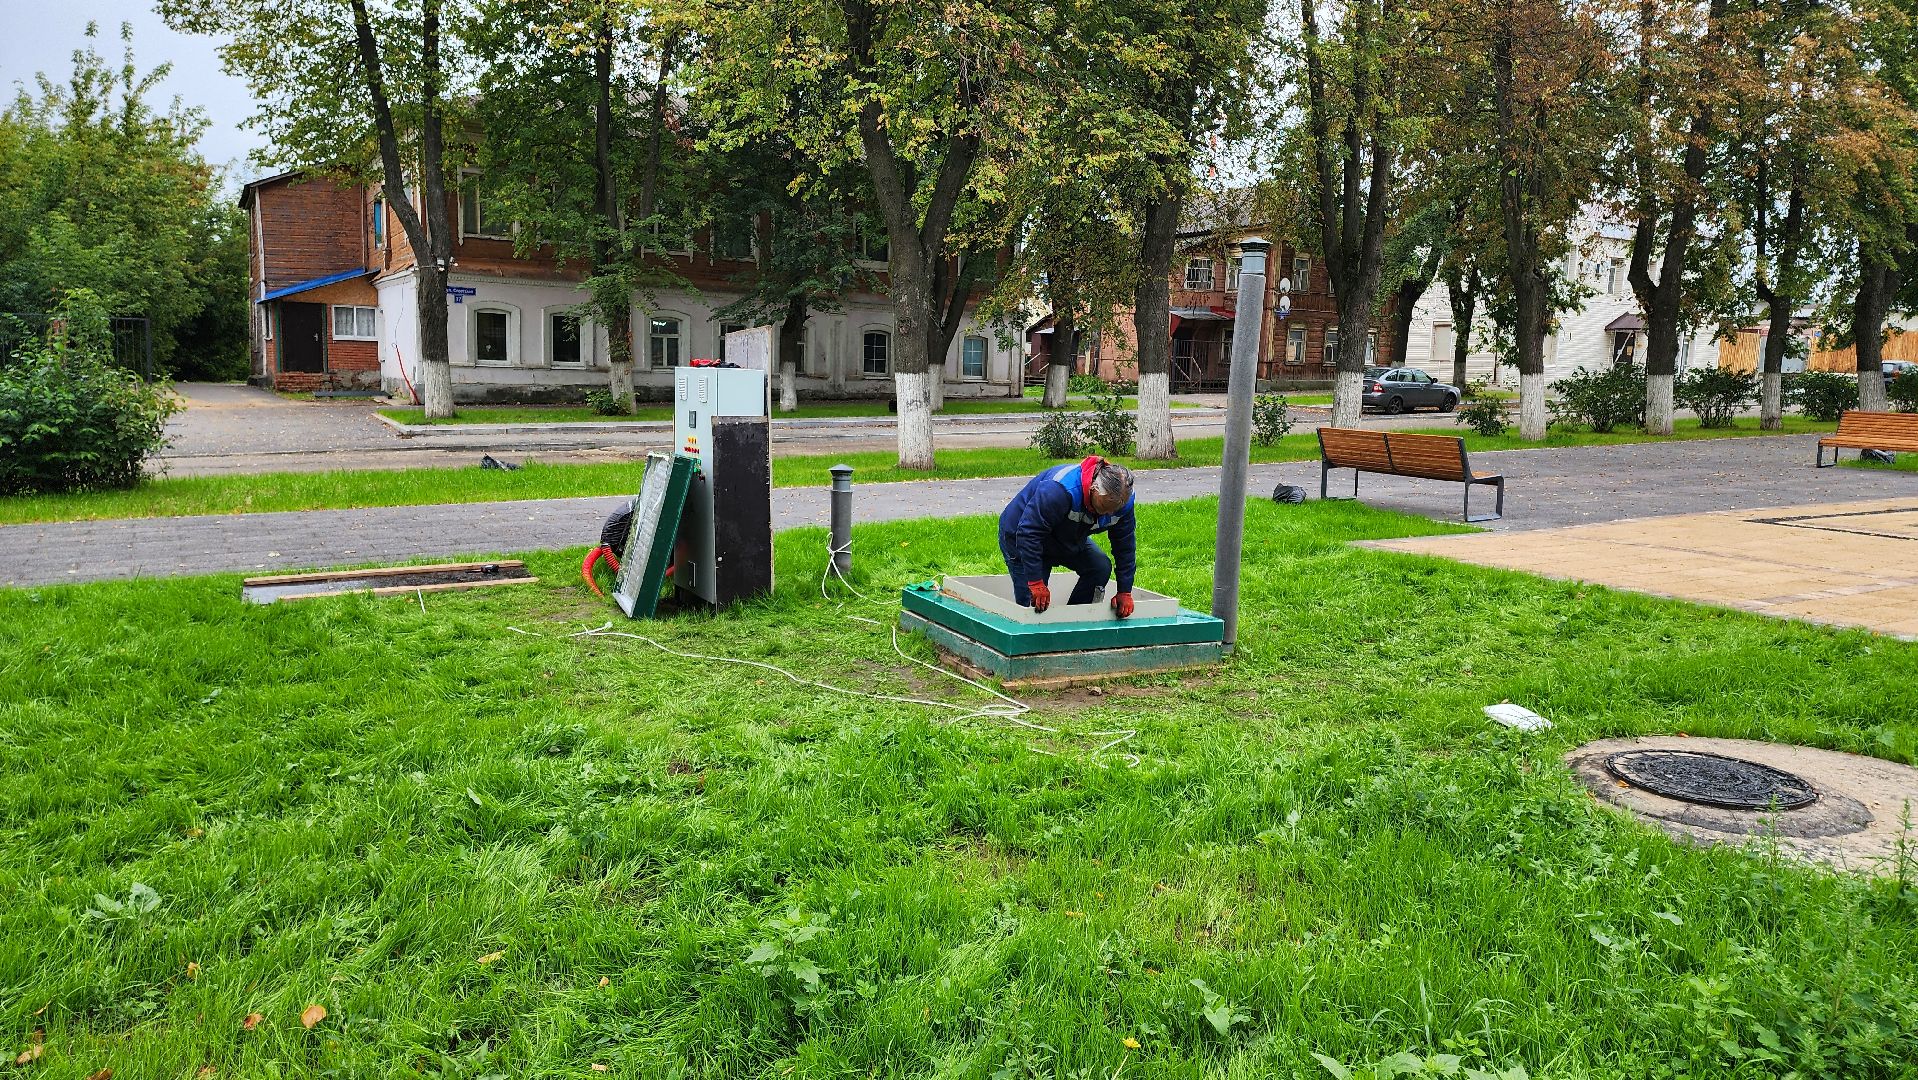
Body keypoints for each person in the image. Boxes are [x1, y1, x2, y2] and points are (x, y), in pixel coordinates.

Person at [998, 456, 1137, 617]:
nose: (1109, 514)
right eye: (1105, 507)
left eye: (1115, 509)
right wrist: (1036, 582)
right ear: (1093, 488)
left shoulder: (1122, 502)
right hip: (1022, 534)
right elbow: (1029, 533)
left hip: (1067, 534)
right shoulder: (1060, 489)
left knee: (1099, 567)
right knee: (1034, 605)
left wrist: (1125, 591)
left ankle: (1073, 622)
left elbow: (1125, 547)